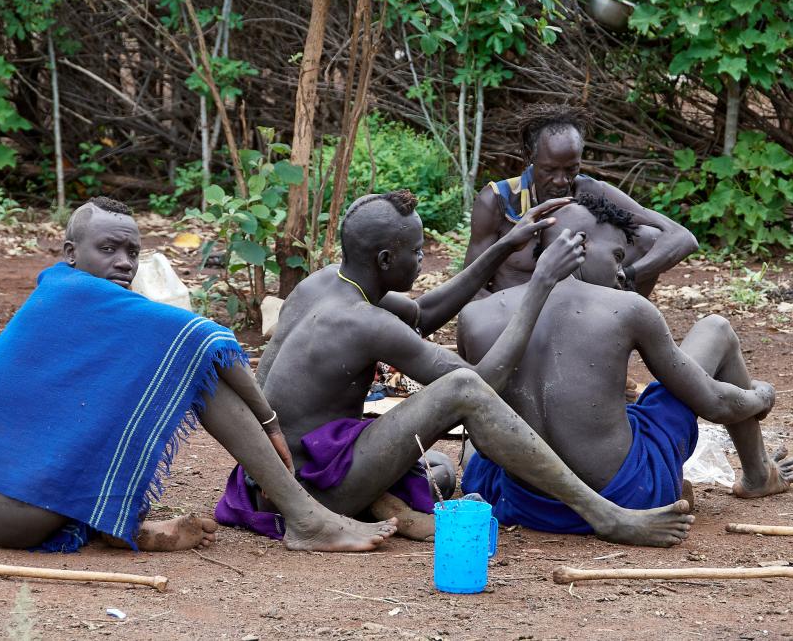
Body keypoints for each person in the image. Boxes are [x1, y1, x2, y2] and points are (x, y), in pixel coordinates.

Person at [240, 189, 693, 546]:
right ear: (385, 261)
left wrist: (500, 250)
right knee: (460, 388)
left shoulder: (326, 283)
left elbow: (422, 315)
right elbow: (481, 385)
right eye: (417, 253)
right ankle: (605, 514)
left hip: (269, 477)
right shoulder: (365, 322)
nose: (422, 260)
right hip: (311, 491)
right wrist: (539, 287)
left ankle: (390, 505)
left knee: (437, 469)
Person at [0, 196, 397, 553]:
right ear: (71, 253)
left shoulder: (54, 291)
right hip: (22, 510)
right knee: (194, 370)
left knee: (150, 372)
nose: (124, 263)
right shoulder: (90, 297)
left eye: (132, 251)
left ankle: (128, 525)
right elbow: (209, 341)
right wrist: (271, 422)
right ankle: (304, 517)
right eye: (107, 249)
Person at [457, 195, 793, 535]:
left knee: (485, 421)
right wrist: (761, 397)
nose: (622, 273)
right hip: (631, 495)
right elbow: (716, 403)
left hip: (527, 506)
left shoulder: (474, 316)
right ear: (579, 245)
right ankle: (758, 473)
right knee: (715, 330)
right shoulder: (627, 308)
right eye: (617, 256)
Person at [465, 104, 698, 297]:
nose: (560, 180)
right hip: (512, 323)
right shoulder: (498, 201)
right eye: (549, 169)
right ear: (529, 155)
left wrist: (630, 274)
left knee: (646, 237)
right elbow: (470, 288)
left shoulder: (588, 190)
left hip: (578, 321)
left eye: (571, 169)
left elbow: (682, 238)